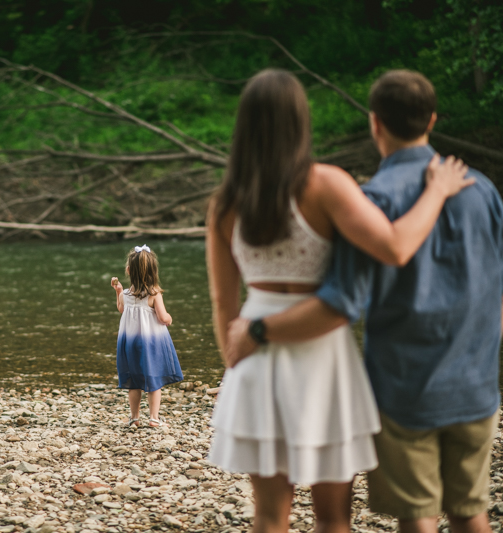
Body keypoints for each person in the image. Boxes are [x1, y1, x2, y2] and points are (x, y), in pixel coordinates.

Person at [205, 69, 473, 533]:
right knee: (333, 519)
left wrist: (233, 359)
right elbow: (393, 246)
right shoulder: (325, 184)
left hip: (255, 350)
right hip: (321, 353)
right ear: (301, 122)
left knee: (269, 516)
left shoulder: (226, 201)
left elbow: (221, 300)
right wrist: (436, 190)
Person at [110, 245, 183, 427]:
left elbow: (121, 309)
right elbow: (162, 317)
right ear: (154, 271)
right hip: (151, 343)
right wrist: (169, 319)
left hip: (129, 343)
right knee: (154, 379)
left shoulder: (126, 294)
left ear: (128, 271)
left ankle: (134, 418)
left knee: (134, 382)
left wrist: (118, 291)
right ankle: (154, 418)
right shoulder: (154, 294)